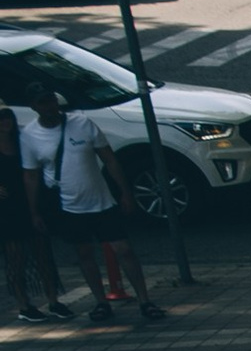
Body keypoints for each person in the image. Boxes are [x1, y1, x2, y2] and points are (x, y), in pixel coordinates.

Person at [23, 86, 160, 324]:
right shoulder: (30, 136)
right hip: (69, 205)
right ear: (34, 107)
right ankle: (101, 302)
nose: (49, 106)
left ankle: (144, 300)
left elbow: (109, 158)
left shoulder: (82, 124)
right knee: (84, 253)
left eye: (51, 100)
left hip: (102, 201)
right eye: (43, 103)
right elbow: (31, 175)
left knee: (124, 250)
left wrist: (125, 192)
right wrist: (34, 211)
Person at [1, 108, 74, 325]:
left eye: (7, 118)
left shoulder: (22, 141)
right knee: (16, 259)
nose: (5, 122)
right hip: (7, 208)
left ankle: (54, 300)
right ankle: (24, 305)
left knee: (43, 254)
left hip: (30, 202)